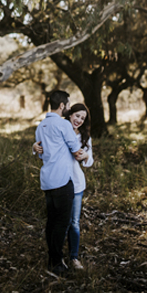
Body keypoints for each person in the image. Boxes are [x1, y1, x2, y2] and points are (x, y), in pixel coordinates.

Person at [34, 103, 93, 270]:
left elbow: (88, 160)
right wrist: (34, 147)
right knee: (61, 222)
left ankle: (73, 257)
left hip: (76, 183)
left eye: (83, 118)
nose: (79, 120)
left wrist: (87, 155)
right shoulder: (59, 130)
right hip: (59, 181)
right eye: (77, 116)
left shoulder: (85, 137)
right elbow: (45, 148)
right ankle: (58, 258)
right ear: (70, 114)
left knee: (74, 222)